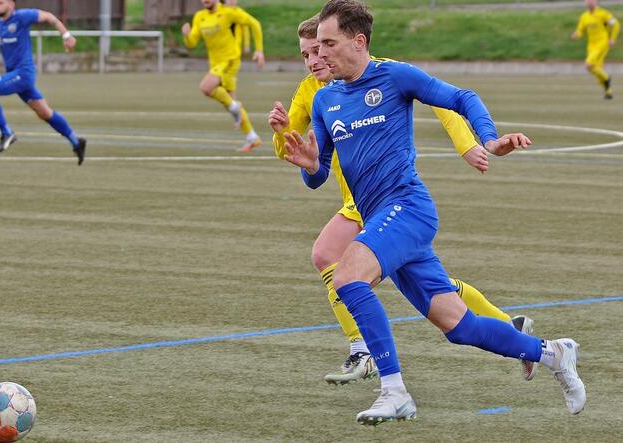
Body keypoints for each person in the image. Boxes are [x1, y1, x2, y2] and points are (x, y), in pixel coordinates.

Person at [284, 0, 585, 425]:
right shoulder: (325, 100)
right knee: (458, 326)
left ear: (359, 41)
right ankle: (554, 353)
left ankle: (394, 391)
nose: (320, 53)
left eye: (329, 43)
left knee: (349, 275)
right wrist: (310, 164)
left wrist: (489, 139)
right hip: (380, 219)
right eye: (316, 46)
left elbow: (462, 97)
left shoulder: (394, 76)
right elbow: (319, 176)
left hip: (407, 207)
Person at [269, 14, 534, 385]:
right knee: (420, 284)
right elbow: (305, 157)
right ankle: (512, 329)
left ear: (347, 45)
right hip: (359, 199)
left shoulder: (381, 75)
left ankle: (366, 353)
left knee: (336, 263)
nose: (315, 60)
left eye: (321, 49)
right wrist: (284, 138)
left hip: (391, 199)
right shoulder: (314, 93)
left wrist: (470, 145)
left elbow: (446, 100)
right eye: (306, 55)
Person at [0, 0, 86, 165]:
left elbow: (50, 17)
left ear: (11, 5)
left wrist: (66, 35)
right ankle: (76, 142)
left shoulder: (22, 16)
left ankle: (7, 133)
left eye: (0, 3)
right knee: (45, 113)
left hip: (23, 73)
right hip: (15, 74)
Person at [183, 0, 265, 152]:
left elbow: (254, 24)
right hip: (215, 63)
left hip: (229, 61)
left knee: (206, 87)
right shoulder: (200, 16)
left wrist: (259, 50)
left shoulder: (228, 12)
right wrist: (187, 36)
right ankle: (252, 137)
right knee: (228, 100)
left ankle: (235, 107)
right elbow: (192, 42)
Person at [572, 0, 619, 99]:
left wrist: (612, 38)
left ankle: (607, 78)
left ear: (596, 2)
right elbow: (580, 29)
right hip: (591, 46)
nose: (589, 2)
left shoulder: (603, 13)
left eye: (592, 0)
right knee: (596, 70)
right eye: (587, 0)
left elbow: (616, 25)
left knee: (588, 65)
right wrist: (577, 35)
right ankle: (608, 92)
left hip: (602, 43)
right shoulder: (584, 16)